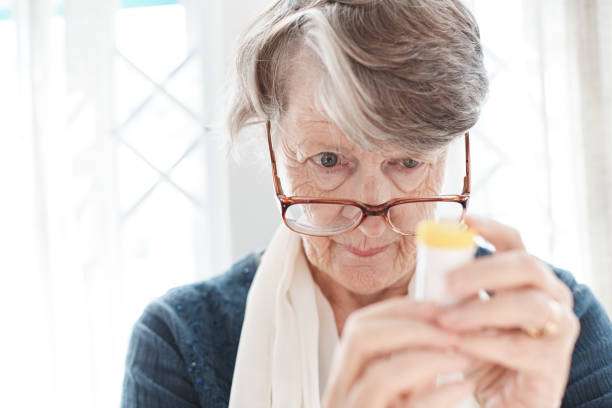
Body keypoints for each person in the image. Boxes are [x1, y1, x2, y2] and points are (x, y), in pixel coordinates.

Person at [121, 1, 612, 407]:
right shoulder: (179, 342)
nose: (372, 215)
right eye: (329, 159)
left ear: (450, 153)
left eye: (407, 161)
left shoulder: (552, 328)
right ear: (275, 148)